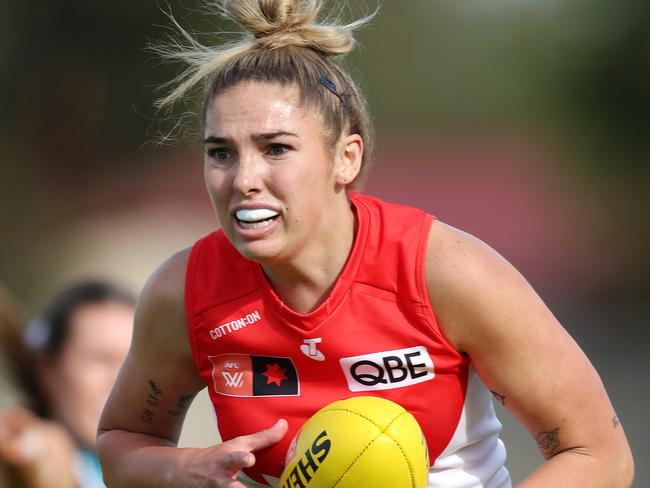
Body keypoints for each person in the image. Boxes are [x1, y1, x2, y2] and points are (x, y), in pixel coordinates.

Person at [97, 1, 634, 487]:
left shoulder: (445, 272)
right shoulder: (184, 292)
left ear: (346, 158)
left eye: (276, 148)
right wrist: (183, 468)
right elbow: (121, 442)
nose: (243, 179)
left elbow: (598, 454)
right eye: (220, 153)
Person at [6, 281, 135, 488]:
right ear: (48, 369)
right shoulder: (27, 450)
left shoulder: (141, 471)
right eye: (100, 359)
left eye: (132, 362)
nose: (121, 380)